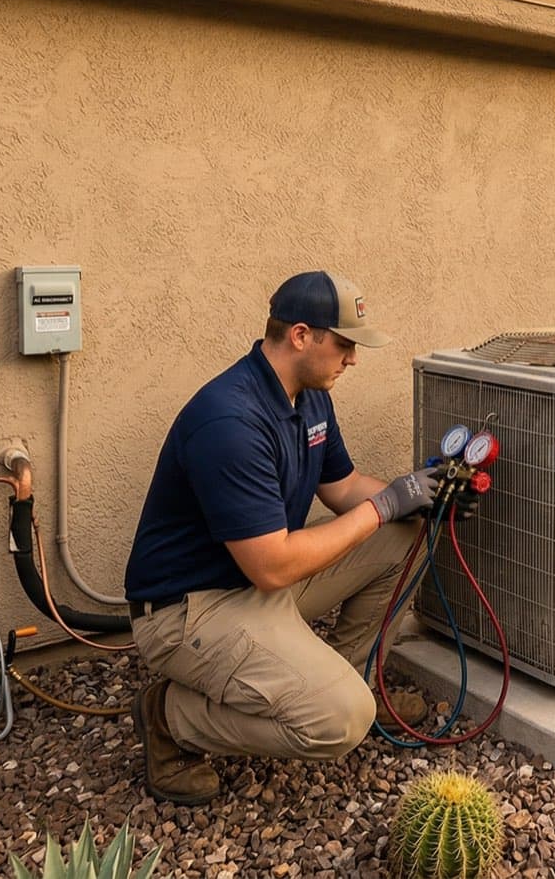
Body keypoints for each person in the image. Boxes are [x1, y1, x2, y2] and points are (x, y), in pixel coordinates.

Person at [122, 270, 441, 804]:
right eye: (343, 345)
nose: (353, 359)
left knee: (409, 535)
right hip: (191, 610)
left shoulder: (309, 396)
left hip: (256, 585)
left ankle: (360, 678)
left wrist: (418, 496)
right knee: (341, 721)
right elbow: (272, 566)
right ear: (300, 335)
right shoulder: (229, 421)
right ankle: (168, 717)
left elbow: (342, 489)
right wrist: (383, 506)